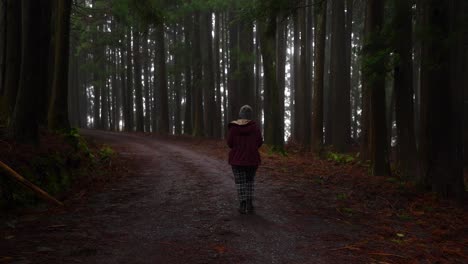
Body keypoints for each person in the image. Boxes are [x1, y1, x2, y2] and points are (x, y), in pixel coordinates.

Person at [227, 105, 263, 214]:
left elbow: (230, 143)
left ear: (240, 115)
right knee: (249, 182)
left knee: (240, 183)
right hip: (252, 159)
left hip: (237, 160)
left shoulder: (233, 127)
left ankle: (242, 205)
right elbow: (259, 142)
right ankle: (250, 204)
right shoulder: (255, 127)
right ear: (250, 116)